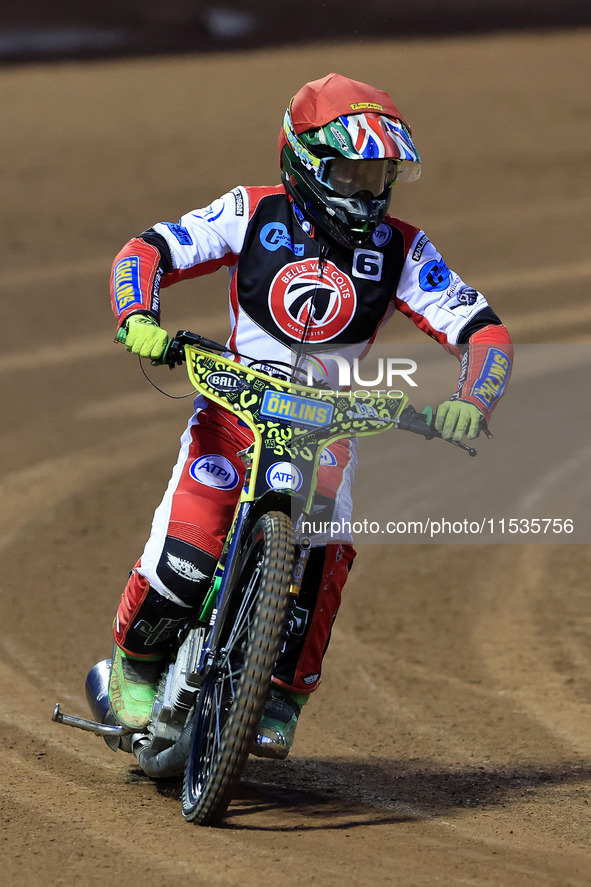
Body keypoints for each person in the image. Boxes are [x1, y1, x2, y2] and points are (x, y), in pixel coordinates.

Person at [108, 72, 513, 758]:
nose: (367, 190)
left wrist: (471, 400)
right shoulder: (250, 210)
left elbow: (483, 332)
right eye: (350, 173)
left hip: (326, 423)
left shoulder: (402, 249)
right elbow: (148, 249)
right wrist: (138, 313)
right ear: (303, 162)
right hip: (232, 409)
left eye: (379, 173)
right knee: (187, 552)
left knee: (324, 546)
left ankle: (284, 693)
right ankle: (135, 663)